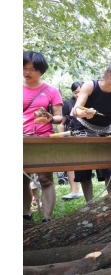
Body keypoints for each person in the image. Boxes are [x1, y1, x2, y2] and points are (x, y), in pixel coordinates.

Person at [72, 58, 111, 202]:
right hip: (83, 126)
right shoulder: (90, 85)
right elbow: (75, 110)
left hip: (105, 129)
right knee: (83, 166)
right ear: (106, 73)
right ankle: (89, 204)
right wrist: (85, 113)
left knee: (108, 165)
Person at [23, 50, 63, 222]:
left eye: (33, 69)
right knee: (21, 177)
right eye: (24, 68)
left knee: (46, 178)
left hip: (44, 138)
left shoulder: (51, 91)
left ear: (41, 70)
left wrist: (50, 118)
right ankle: (25, 216)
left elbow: (60, 116)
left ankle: (47, 219)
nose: (27, 72)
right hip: (22, 139)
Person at [59, 81, 84, 199]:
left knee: (84, 162)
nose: (78, 95)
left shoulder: (90, 103)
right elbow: (61, 123)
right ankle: (74, 190)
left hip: (85, 136)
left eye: (80, 92)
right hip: (70, 135)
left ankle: (85, 189)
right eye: (75, 92)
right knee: (70, 163)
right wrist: (61, 137)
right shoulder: (68, 104)